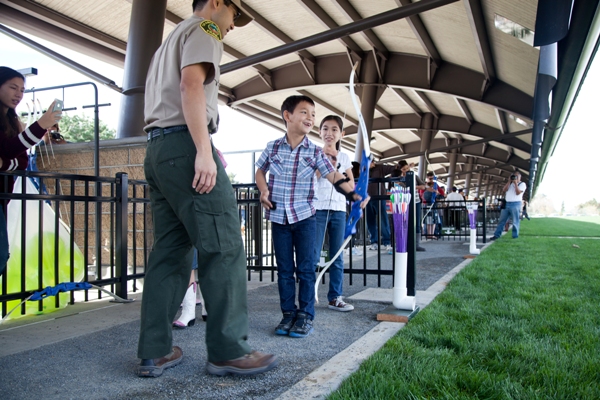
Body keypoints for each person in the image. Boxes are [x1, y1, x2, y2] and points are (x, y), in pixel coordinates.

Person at [138, 0, 278, 378]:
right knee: (225, 245)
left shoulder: (169, 41)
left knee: (170, 251)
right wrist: (204, 151)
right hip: (185, 146)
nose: (233, 25)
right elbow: (191, 84)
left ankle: (155, 351)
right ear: (218, 3)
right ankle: (228, 351)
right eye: (235, 15)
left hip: (157, 149)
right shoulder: (206, 29)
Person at [255, 95, 367, 338]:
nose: (311, 118)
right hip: (278, 219)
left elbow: (335, 177)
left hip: (306, 218)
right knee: (284, 269)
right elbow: (259, 171)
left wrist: (354, 195)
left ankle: (305, 316)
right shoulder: (272, 147)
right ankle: (288, 315)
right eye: (305, 112)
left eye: (313, 114)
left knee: (306, 269)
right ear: (288, 116)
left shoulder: (316, 153)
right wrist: (263, 190)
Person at [0, 67, 63, 275]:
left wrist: (5, 163)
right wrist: (41, 125)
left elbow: (21, 159)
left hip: (3, 196)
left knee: (2, 255)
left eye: (22, 90)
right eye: (12, 87)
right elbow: (11, 150)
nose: (18, 94)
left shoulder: (11, 120)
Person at [313, 115, 355, 312]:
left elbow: (351, 185)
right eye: (325, 129)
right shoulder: (314, 153)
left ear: (341, 134)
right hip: (318, 208)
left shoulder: (345, 157)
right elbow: (313, 180)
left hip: (338, 209)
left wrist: (336, 164)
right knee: (312, 253)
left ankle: (335, 297)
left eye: (334, 129)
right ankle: (308, 294)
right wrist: (324, 165)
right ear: (319, 131)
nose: (329, 133)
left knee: (336, 255)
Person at [390, 160, 426, 251]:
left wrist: (411, 186)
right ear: (400, 169)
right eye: (403, 169)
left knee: (417, 223)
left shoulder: (414, 176)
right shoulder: (398, 178)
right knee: (404, 222)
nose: (406, 170)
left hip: (416, 201)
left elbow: (423, 186)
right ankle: (404, 243)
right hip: (404, 202)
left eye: (407, 168)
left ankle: (416, 245)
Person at [366, 161, 398, 252]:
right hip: (367, 198)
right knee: (370, 221)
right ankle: (374, 242)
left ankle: (387, 242)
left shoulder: (380, 168)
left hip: (380, 197)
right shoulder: (363, 169)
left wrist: (398, 169)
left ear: (373, 162)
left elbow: (393, 168)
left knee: (383, 220)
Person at [490, 171, 526, 240]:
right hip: (507, 203)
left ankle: (515, 236)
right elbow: (504, 189)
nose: (514, 178)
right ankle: (497, 235)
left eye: (516, 176)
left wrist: (515, 183)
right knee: (502, 220)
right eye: (513, 176)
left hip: (516, 204)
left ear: (519, 177)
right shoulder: (510, 184)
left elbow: (518, 192)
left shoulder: (522, 184)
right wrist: (509, 181)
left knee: (515, 221)